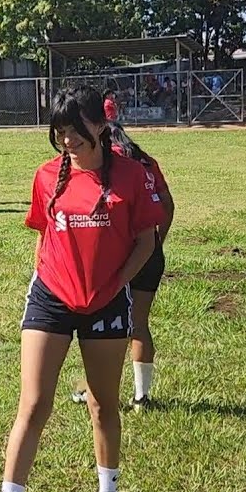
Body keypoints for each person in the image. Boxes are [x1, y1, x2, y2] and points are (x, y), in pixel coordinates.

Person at [0, 85, 164, 492]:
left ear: (101, 125)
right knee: (34, 403)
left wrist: (115, 285)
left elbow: (146, 242)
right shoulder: (47, 176)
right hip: (50, 298)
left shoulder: (131, 175)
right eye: (60, 132)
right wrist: (44, 278)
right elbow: (43, 235)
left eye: (75, 130)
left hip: (106, 303)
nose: (67, 140)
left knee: (102, 403)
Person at [107, 122, 175, 410]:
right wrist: (157, 242)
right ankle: (141, 396)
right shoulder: (147, 161)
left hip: (121, 253)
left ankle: (97, 390)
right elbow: (168, 206)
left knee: (107, 328)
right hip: (150, 252)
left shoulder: (110, 160)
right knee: (139, 323)